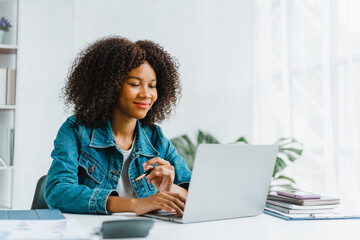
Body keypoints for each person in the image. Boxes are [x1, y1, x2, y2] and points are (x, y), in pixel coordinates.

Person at [45, 36, 191, 216]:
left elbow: (198, 197)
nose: (146, 94)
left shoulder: (155, 139)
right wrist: (135, 204)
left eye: (152, 86)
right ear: (110, 86)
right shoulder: (76, 131)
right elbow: (57, 192)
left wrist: (171, 189)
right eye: (135, 84)